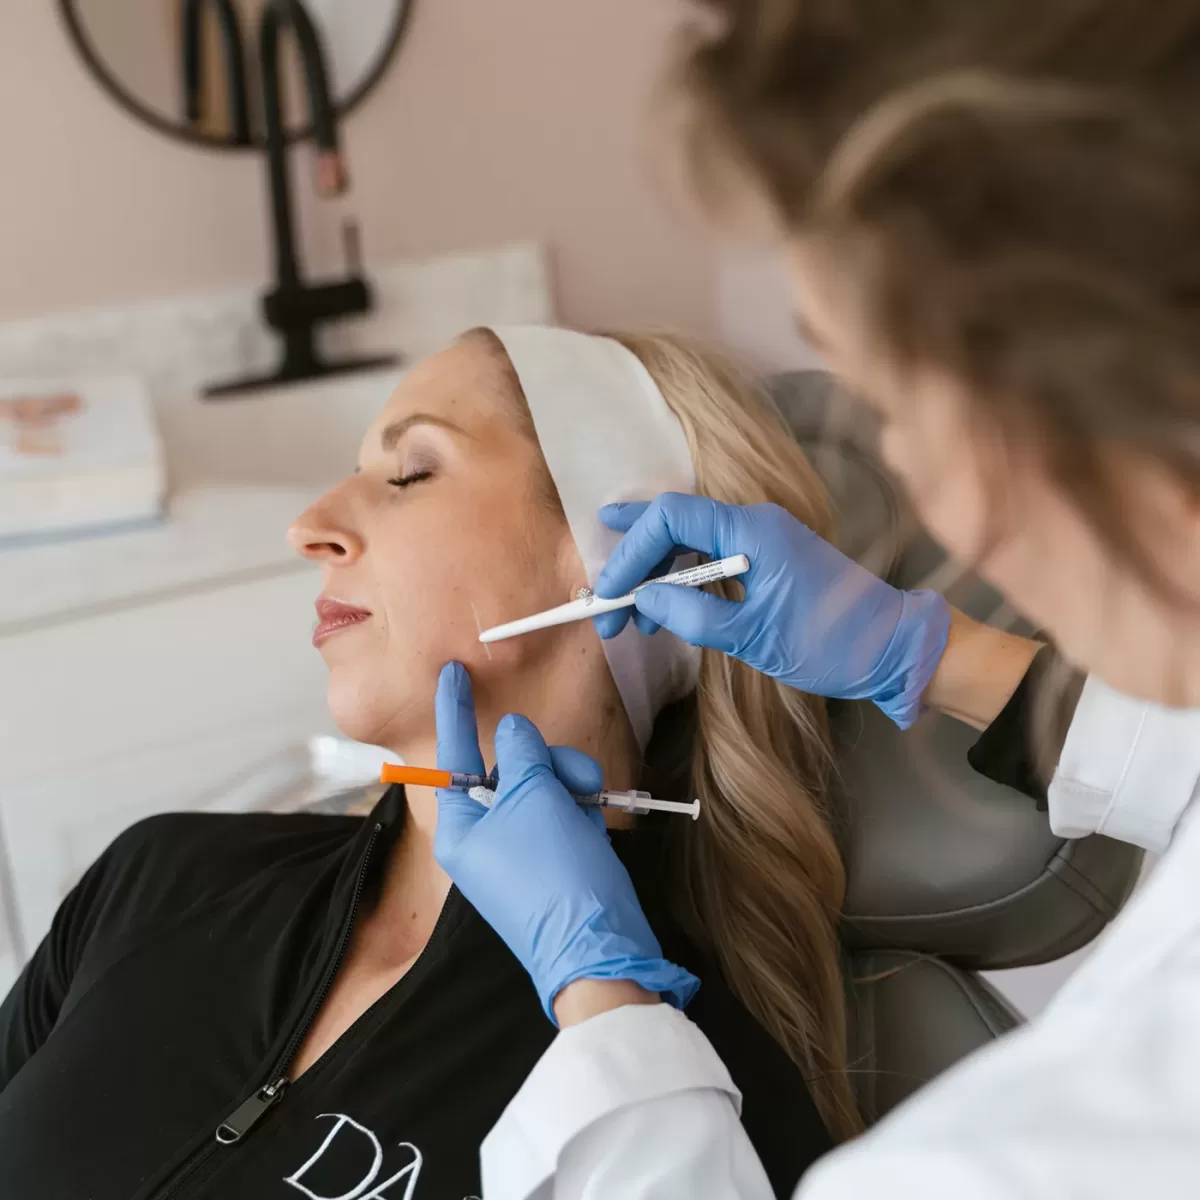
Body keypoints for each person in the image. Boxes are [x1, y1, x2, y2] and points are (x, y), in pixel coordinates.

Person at [431, 3, 1200, 1197]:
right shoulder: (170, 876)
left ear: (1075, 400)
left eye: (889, 395)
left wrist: (603, 998)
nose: (931, 504)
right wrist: (920, 652)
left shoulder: (1076, 1143)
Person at [0, 324, 888, 1198]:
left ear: (627, 558)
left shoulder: (690, 1093)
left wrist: (596, 980)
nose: (309, 526)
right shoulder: (156, 880)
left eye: (408, 473)